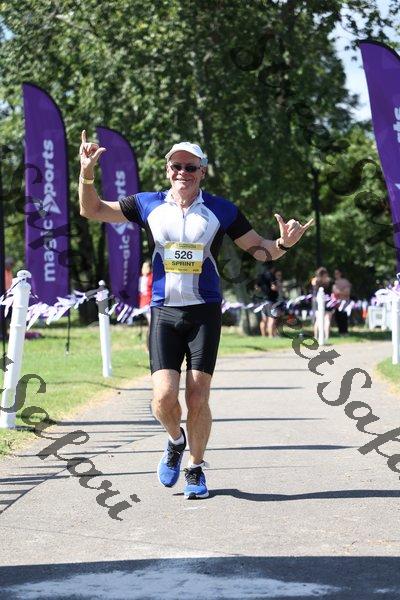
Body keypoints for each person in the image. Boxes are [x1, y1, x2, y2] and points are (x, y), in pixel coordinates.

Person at [78, 132, 313, 499]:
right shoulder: (147, 204)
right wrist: (86, 174)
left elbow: (259, 249)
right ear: (167, 169)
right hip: (164, 311)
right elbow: (92, 210)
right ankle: (176, 440)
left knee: (198, 397)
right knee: (163, 399)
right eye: (177, 166)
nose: (183, 172)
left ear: (202, 171)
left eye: (191, 167)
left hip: (204, 312)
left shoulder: (221, 209)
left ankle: (195, 468)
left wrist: (284, 243)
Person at [256, 264, 279, 337]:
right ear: (272, 268)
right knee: (271, 318)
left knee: (264, 319)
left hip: (262, 300)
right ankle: (270, 335)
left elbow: (257, 287)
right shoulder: (271, 275)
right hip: (271, 300)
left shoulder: (261, 276)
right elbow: (273, 287)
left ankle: (263, 335)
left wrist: (263, 291)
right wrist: (279, 288)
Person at [311, 266, 333, 341]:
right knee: (323, 320)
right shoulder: (327, 281)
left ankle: (319, 336)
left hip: (323, 302)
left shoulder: (316, 281)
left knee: (322, 320)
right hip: (323, 302)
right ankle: (323, 337)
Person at [333, 268, 351, 335]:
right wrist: (341, 292)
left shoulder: (345, 281)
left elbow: (347, 292)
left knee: (344, 318)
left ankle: (345, 332)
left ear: (340, 273)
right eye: (335, 273)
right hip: (336, 303)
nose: (336, 275)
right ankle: (340, 332)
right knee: (338, 318)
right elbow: (334, 292)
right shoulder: (334, 282)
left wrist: (339, 292)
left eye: (337, 273)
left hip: (344, 303)